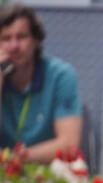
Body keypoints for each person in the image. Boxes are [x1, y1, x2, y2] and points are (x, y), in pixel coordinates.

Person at [0, 4, 82, 164]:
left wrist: (14, 159)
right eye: (5, 39)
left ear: (36, 40)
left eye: (21, 37)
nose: (14, 46)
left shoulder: (61, 76)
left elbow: (69, 143)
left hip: (47, 171)